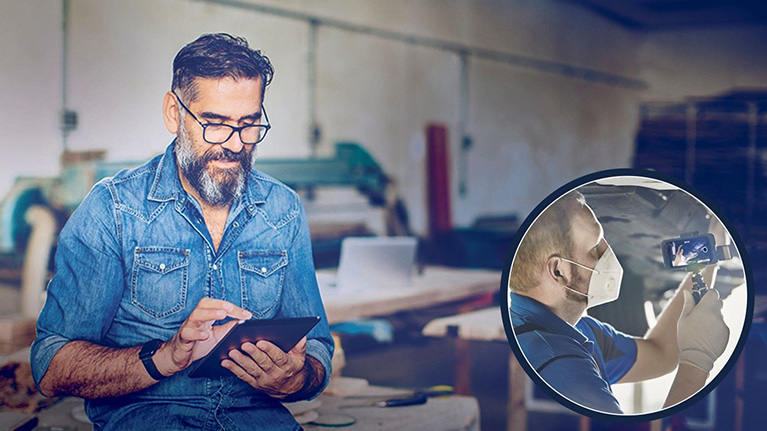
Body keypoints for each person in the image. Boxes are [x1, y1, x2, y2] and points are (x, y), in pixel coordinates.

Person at [30, 33, 334, 431]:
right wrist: (164, 357)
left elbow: (318, 350)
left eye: (249, 125)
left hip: (257, 420)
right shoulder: (114, 210)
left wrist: (294, 378)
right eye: (214, 124)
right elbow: (51, 365)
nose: (234, 145)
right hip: (149, 419)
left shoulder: (282, 211)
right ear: (174, 113)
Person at [508, 190, 729, 414]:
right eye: (595, 247)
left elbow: (662, 353)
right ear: (559, 270)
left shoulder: (577, 329)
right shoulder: (562, 369)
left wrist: (707, 259)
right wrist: (698, 360)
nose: (607, 252)